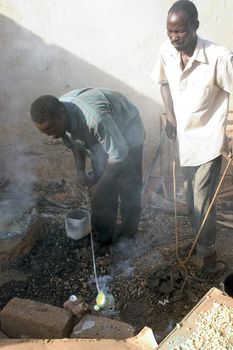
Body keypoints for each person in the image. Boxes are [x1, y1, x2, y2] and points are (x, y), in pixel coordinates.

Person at [151, 0, 233, 282]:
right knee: (188, 198)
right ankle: (200, 241)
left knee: (202, 199)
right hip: (182, 139)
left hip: (209, 140)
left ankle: (208, 254)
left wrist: (231, 133)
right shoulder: (167, 51)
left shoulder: (219, 57)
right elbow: (162, 82)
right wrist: (170, 114)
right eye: (170, 31)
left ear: (195, 26)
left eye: (181, 31)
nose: (174, 37)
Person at [30, 87, 144, 249]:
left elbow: (119, 154)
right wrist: (80, 171)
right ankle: (104, 238)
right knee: (102, 192)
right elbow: (75, 143)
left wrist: (99, 186)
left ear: (62, 113)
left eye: (51, 130)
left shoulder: (94, 118)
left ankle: (127, 238)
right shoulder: (59, 116)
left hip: (127, 130)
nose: (52, 136)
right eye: (45, 133)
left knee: (129, 189)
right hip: (103, 137)